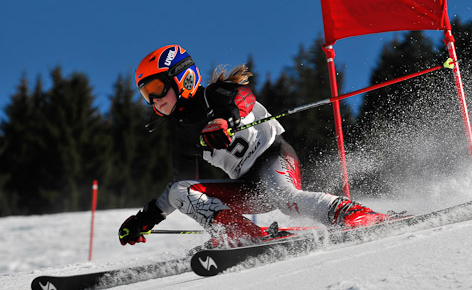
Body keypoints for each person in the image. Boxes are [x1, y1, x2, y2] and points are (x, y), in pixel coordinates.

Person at [118, 44, 391, 247]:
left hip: (273, 156)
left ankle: (351, 212)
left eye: (156, 88)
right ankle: (240, 234)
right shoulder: (181, 136)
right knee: (180, 190)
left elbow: (244, 98)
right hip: (247, 188)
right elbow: (184, 186)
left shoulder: (214, 96)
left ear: (182, 78)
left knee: (285, 198)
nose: (154, 100)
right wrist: (145, 220)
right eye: (146, 94)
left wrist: (225, 121)